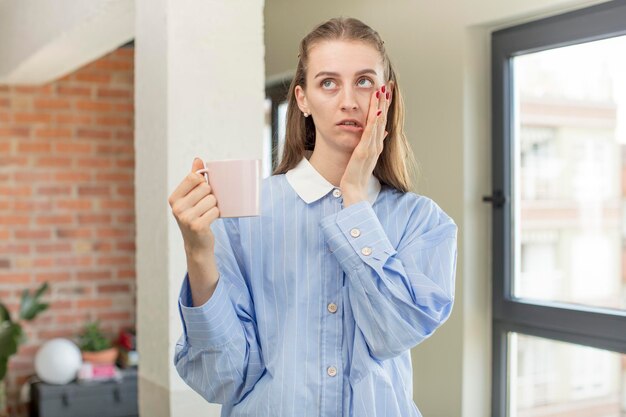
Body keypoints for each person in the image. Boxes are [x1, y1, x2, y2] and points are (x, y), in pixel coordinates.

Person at [169, 17, 457, 417]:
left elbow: (394, 331)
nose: (349, 101)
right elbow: (222, 377)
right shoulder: (244, 215)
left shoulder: (423, 222)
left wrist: (355, 200)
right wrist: (198, 252)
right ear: (302, 99)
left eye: (365, 81)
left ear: (385, 96)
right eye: (328, 83)